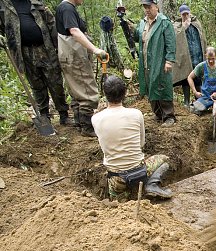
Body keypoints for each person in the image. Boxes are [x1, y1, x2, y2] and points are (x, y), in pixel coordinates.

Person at [92, 75, 173, 202]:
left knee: (119, 207)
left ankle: (121, 200)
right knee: (164, 160)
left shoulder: (95, 118)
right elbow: (141, 143)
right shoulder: (136, 114)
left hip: (117, 179)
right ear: (125, 93)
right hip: (140, 172)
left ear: (105, 94)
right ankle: (151, 185)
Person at [0, 0, 72, 126]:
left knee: (55, 82)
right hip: (24, 52)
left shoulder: (35, 1)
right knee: (36, 85)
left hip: (46, 48)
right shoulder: (3, 5)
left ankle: (63, 115)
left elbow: (50, 22)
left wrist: (58, 46)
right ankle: (44, 117)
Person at [55, 0, 107, 136]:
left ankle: (79, 122)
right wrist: (95, 50)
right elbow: (75, 31)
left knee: (77, 89)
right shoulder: (67, 8)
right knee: (87, 89)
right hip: (75, 56)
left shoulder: (65, 7)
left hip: (70, 55)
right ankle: (88, 127)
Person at [134, 0, 176, 127]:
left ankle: (169, 116)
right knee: (150, 85)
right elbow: (137, 38)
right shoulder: (143, 23)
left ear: (156, 7)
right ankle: (158, 114)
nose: (147, 10)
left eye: (149, 7)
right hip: (146, 61)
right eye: (145, 7)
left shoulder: (164, 22)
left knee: (163, 85)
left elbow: (171, 43)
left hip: (160, 60)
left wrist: (169, 61)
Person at [172, 4, 206, 107]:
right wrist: (183, 28)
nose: (186, 16)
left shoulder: (196, 23)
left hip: (198, 55)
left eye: (187, 13)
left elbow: (203, 38)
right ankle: (186, 101)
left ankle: (199, 100)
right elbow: (175, 38)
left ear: (190, 12)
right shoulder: (177, 25)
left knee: (198, 76)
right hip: (186, 56)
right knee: (185, 77)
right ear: (180, 14)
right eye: (183, 14)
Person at [187, 46, 216, 114]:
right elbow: (190, 77)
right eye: (208, 59)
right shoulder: (201, 66)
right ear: (205, 55)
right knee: (195, 109)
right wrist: (195, 92)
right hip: (206, 97)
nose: (211, 61)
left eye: (213, 58)